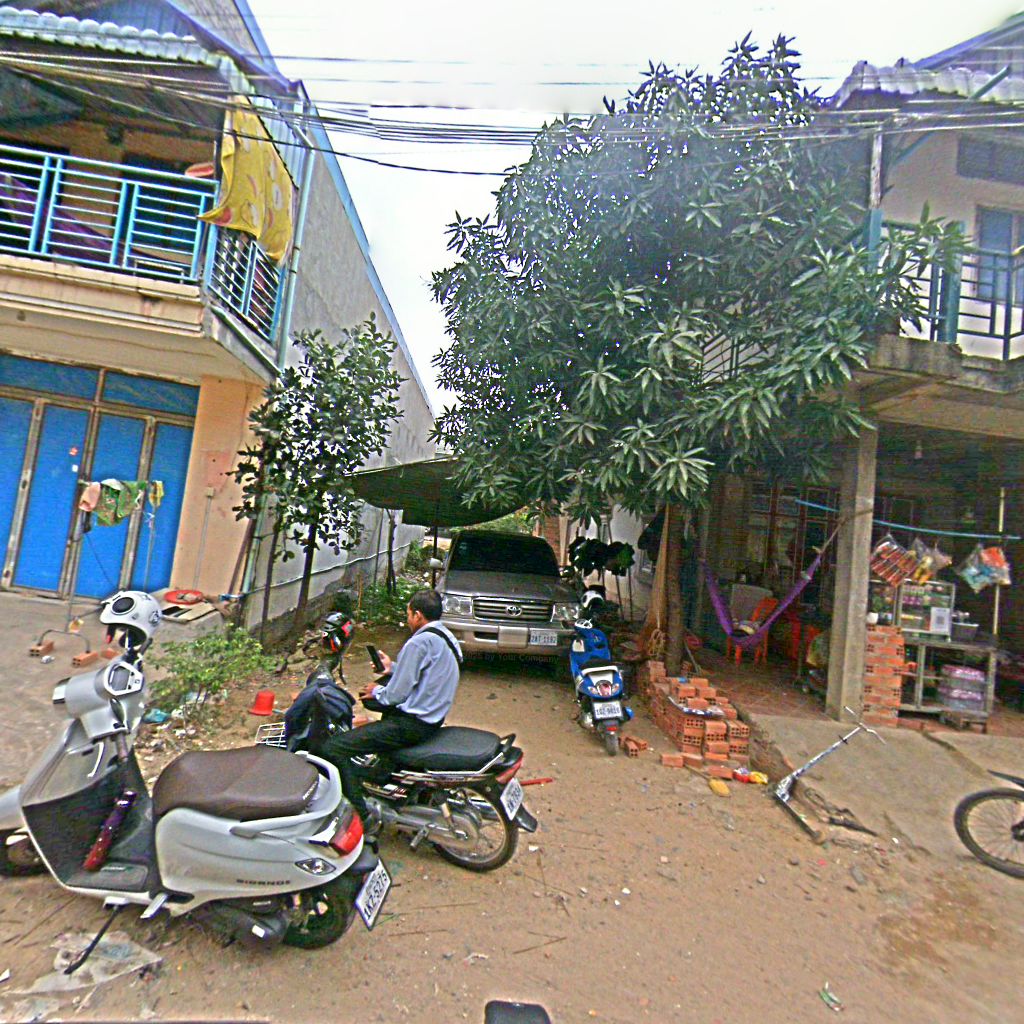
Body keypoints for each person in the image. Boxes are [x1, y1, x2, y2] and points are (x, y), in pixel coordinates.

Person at [322, 589, 462, 836]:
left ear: (417, 615)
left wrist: (376, 691)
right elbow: (425, 672)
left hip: (411, 724)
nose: (408, 620)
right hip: (433, 718)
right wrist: (392, 668)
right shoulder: (446, 637)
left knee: (333, 749)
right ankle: (381, 779)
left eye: (408, 614)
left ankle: (363, 816)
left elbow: (395, 695)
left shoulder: (418, 642)